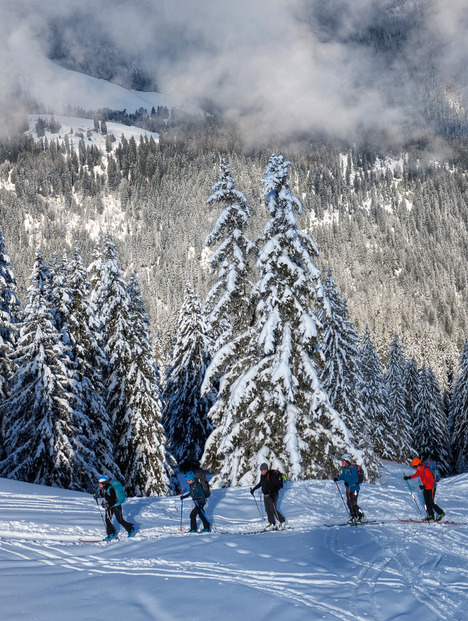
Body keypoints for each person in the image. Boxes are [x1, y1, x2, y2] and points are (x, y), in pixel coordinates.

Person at [403, 458, 445, 522]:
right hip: (425, 487)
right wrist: (408, 477)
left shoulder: (426, 470)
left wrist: (424, 486)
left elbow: (430, 481)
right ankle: (431, 515)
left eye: (416, 466)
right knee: (426, 501)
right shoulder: (419, 469)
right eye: (414, 467)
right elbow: (416, 474)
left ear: (419, 464)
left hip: (431, 487)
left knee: (431, 502)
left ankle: (441, 513)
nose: (415, 468)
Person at [97, 475, 136, 540]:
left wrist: (107, 505)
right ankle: (111, 534)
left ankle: (131, 529)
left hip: (116, 506)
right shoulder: (106, 488)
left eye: (100, 483)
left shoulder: (111, 488)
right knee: (107, 520)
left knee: (120, 520)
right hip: (110, 506)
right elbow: (107, 495)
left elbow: (114, 500)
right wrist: (99, 496)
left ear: (104, 483)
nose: (99, 484)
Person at [250, 463, 286, 531]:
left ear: (266, 469)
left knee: (273, 509)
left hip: (273, 495)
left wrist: (273, 495)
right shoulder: (263, 476)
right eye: (260, 470)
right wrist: (254, 489)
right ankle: (272, 523)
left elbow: (275, 486)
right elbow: (261, 483)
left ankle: (282, 521)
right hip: (266, 495)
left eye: (262, 469)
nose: (261, 471)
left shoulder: (271, 475)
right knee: (268, 510)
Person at [333, 453, 365, 524]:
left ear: (347, 460)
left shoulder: (352, 468)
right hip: (348, 489)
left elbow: (355, 479)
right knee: (349, 503)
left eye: (343, 461)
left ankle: (360, 515)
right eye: (342, 461)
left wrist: (349, 484)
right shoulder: (344, 468)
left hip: (354, 488)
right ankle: (354, 516)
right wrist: (337, 478)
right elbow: (343, 476)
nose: (342, 462)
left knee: (353, 503)